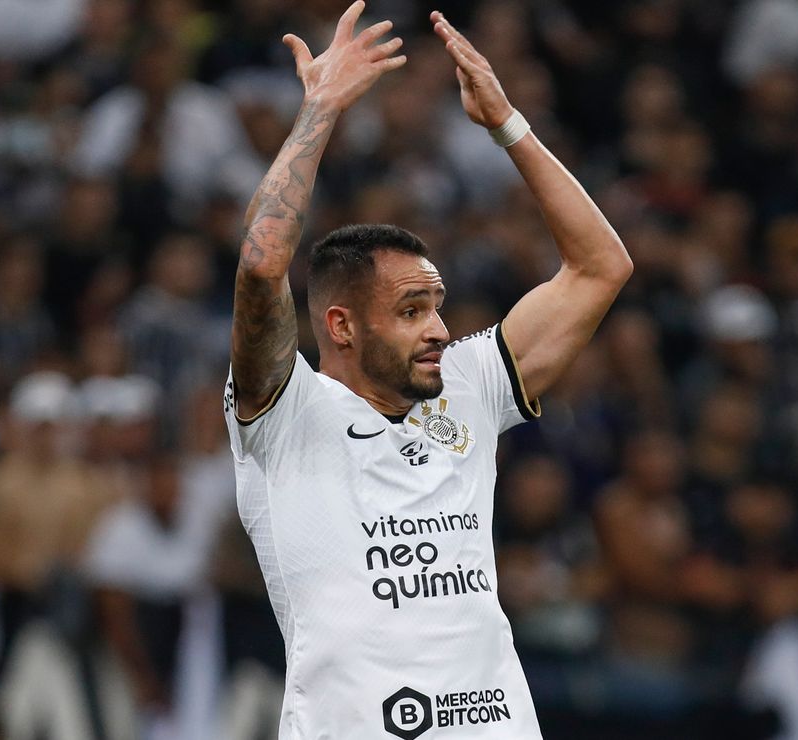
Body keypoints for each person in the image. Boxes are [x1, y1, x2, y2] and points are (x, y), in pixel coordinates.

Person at [221, 4, 632, 739]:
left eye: (437, 306)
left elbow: (601, 267)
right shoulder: (284, 414)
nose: (440, 329)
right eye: (412, 310)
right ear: (342, 327)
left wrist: (508, 126)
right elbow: (260, 264)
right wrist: (320, 110)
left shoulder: (467, 385)